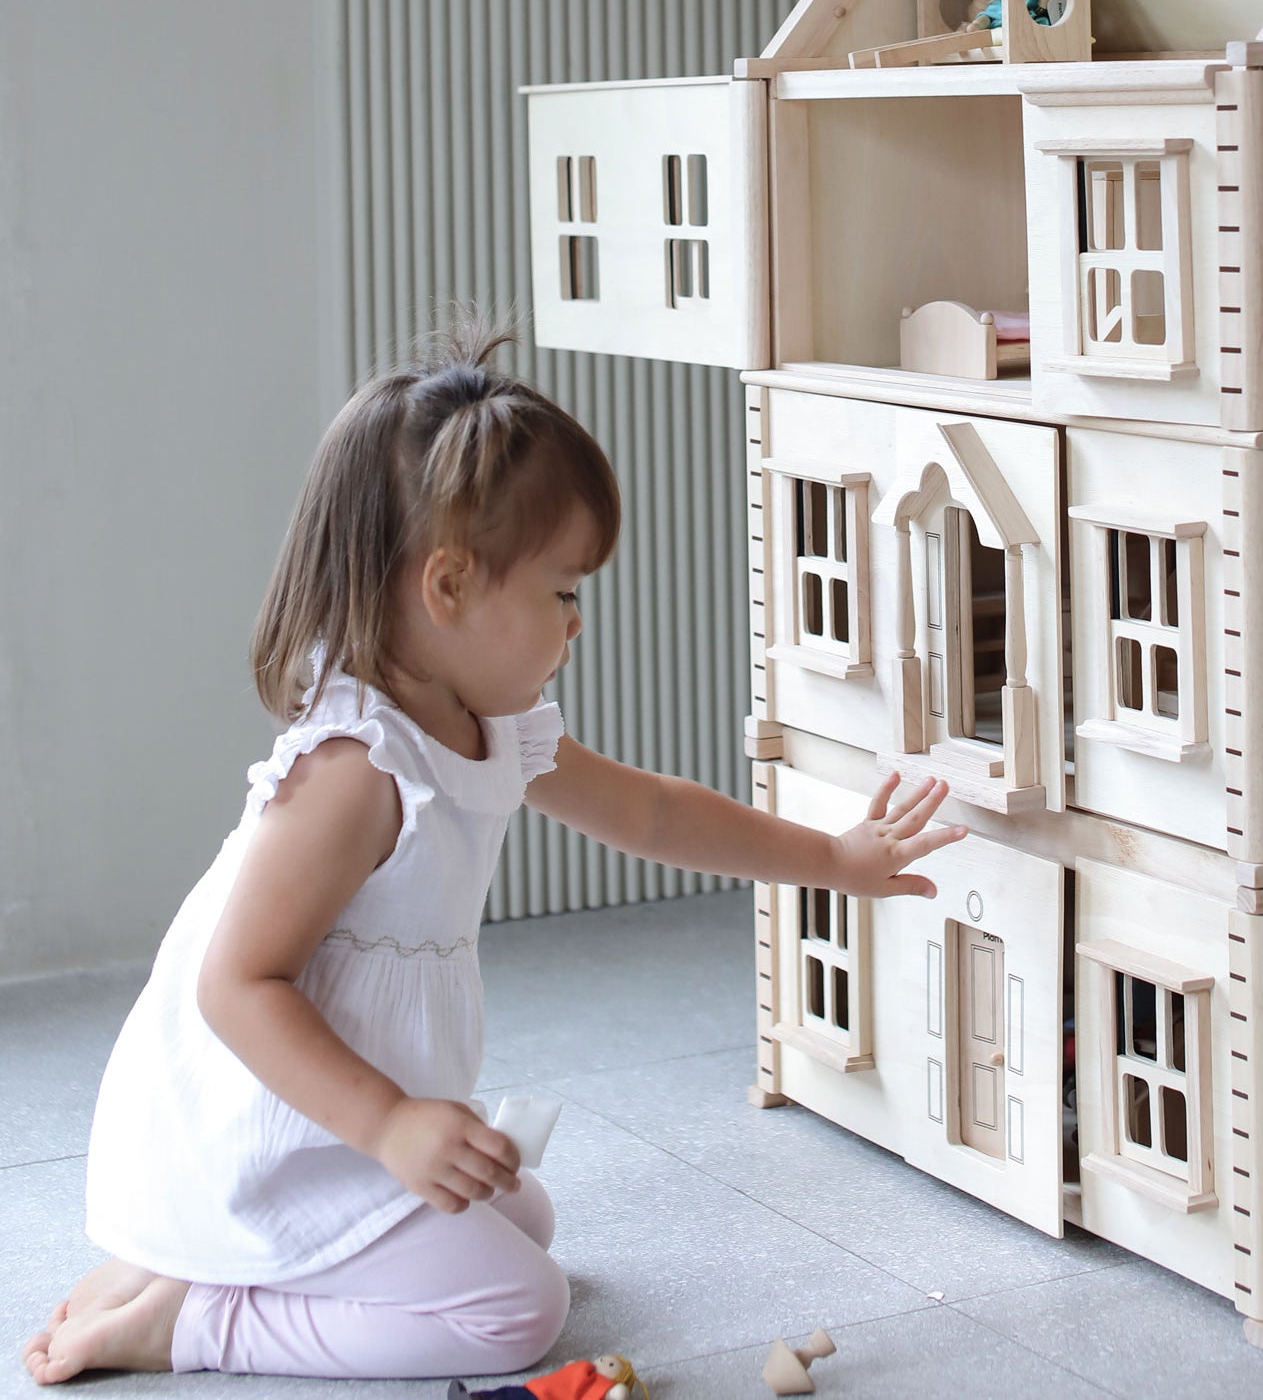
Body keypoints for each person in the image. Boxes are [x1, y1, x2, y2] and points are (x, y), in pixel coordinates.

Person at [21, 323, 963, 1385]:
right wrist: (386, 1126)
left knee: (522, 1204)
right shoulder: (356, 772)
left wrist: (832, 856)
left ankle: (186, 1274)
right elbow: (237, 984)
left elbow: (649, 815)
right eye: (562, 592)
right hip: (278, 1130)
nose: (575, 625)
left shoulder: (488, 721)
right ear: (450, 587)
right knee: (517, 1308)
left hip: (344, 1121)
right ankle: (189, 1320)